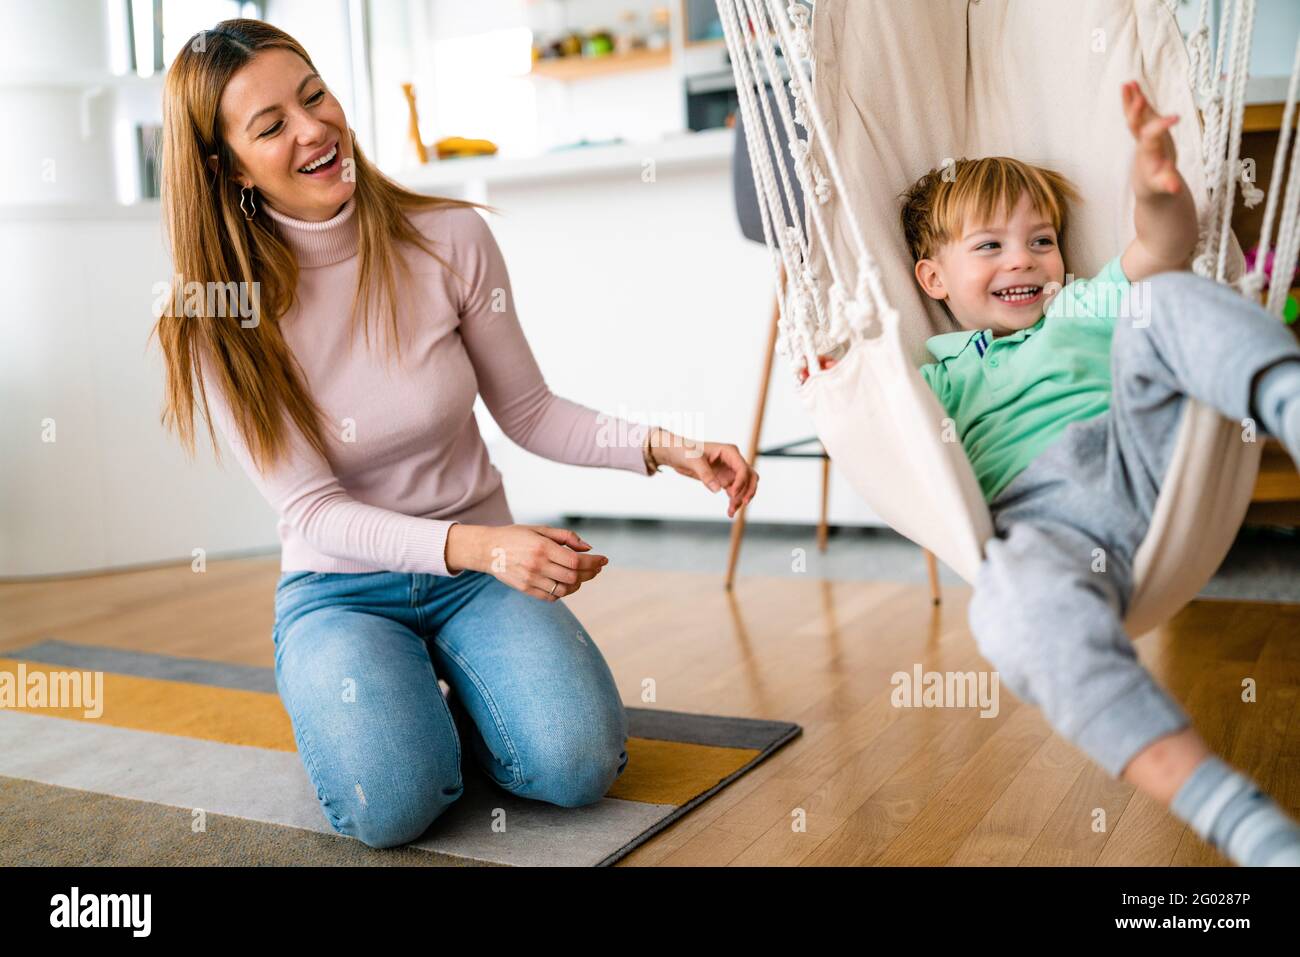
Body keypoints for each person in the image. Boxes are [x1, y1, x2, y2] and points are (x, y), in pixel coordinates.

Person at [151, 19, 758, 849]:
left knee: (579, 763)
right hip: (342, 589)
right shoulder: (217, 318)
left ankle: (450, 693)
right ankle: (365, 694)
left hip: (474, 580)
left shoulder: (448, 238)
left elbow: (530, 411)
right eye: (271, 126)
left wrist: (664, 446)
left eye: (314, 95)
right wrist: (488, 545)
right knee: (392, 802)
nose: (313, 129)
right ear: (225, 168)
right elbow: (316, 511)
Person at [802, 80, 1300, 865]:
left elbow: (1163, 248)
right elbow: (884, 437)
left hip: (1148, 455)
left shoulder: (1081, 306)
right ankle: (1233, 812)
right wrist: (836, 373)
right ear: (932, 280)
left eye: (1041, 240)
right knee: (1009, 611)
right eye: (990, 246)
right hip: (1046, 523)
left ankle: (1288, 398)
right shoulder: (933, 372)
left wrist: (1155, 190)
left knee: (1164, 297)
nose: (1024, 261)